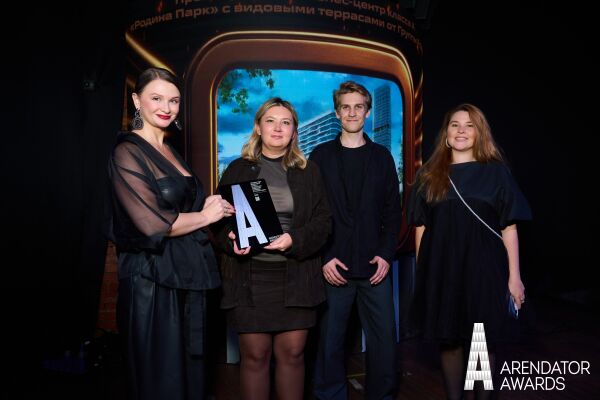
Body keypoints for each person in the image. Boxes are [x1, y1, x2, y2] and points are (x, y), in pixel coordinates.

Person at [106, 67, 234, 400]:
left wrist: (212, 208)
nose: (167, 107)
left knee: (191, 379)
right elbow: (153, 224)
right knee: (162, 381)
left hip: (187, 276)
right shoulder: (126, 152)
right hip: (151, 283)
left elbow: (182, 206)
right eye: (157, 98)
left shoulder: (170, 150)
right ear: (137, 101)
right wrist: (204, 216)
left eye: (174, 100)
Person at [407, 103, 532, 400]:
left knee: (481, 342)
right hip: (443, 271)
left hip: (484, 269)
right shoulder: (428, 175)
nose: (461, 130)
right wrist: (424, 274)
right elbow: (421, 227)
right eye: (455, 125)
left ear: (479, 133)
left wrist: (515, 277)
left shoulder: (496, 174)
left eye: (469, 125)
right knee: (449, 340)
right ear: (446, 134)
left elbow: (509, 228)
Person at [212, 97, 332, 400]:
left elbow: (323, 223)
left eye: (285, 122)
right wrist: (231, 240)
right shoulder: (238, 169)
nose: (278, 128)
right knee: (255, 357)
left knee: (293, 354)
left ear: (294, 131)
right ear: (258, 127)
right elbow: (218, 221)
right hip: (248, 279)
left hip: (297, 278)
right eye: (270, 121)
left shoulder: (309, 171)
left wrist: (295, 239)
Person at [311, 81, 401, 400]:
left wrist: (386, 254)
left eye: (358, 107)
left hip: (375, 267)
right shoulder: (320, 156)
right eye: (345, 107)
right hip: (334, 267)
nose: (352, 113)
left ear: (367, 111)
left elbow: (393, 213)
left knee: (384, 341)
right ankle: (329, 395)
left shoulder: (382, 157)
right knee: (330, 342)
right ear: (337, 113)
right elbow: (311, 212)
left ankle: (382, 395)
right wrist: (324, 257)